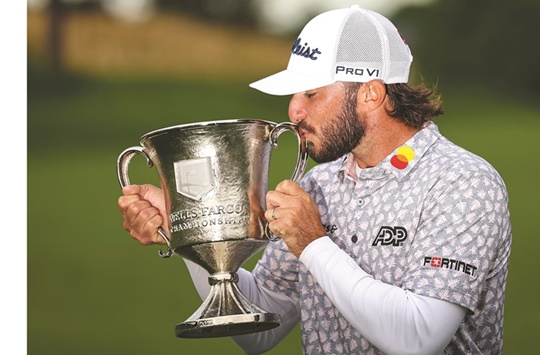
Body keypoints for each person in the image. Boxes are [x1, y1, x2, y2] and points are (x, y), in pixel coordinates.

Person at [118, 5, 512, 355]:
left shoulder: (463, 183)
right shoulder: (320, 185)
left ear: (371, 94)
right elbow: (259, 332)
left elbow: (418, 340)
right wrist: (193, 227)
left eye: (311, 93)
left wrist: (313, 242)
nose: (294, 110)